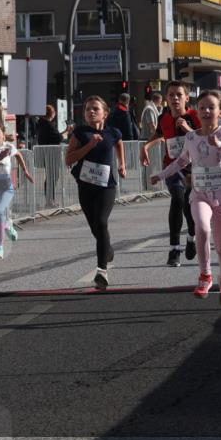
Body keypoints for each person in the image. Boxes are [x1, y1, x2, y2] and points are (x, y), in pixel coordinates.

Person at [151, 90, 221, 308]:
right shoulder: (191, 137)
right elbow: (181, 161)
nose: (206, 111)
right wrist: (161, 175)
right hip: (200, 194)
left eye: (211, 107)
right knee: (201, 229)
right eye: (202, 107)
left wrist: (220, 146)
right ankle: (205, 275)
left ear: (220, 112)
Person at [65, 96, 126, 290]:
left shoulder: (113, 132)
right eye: (87, 109)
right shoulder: (80, 133)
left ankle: (102, 271)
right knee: (95, 228)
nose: (91, 112)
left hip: (106, 186)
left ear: (104, 114)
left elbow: (119, 144)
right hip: (86, 186)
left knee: (101, 222)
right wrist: (89, 145)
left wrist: (122, 164)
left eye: (95, 109)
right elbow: (69, 159)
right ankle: (107, 249)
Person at [140, 81, 198, 267]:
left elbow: (203, 137)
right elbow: (159, 134)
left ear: (186, 98)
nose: (175, 98)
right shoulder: (164, 117)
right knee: (177, 200)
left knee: (189, 205)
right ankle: (174, 249)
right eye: (171, 95)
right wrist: (146, 147)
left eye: (179, 95)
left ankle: (192, 237)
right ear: (166, 98)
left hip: (193, 167)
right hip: (172, 166)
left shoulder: (194, 116)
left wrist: (188, 129)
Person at [0, 121, 34, 259]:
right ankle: (8, 226)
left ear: (3, 135)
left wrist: (25, 171)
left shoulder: (9, 147)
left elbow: (19, 155)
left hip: (6, 187)